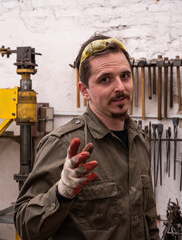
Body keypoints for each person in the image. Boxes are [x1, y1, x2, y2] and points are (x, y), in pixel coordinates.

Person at [14, 34, 160, 240]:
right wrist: (61, 193)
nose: (120, 87)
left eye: (125, 76)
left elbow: (148, 220)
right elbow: (25, 225)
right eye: (105, 79)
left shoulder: (140, 140)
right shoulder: (63, 144)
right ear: (85, 91)